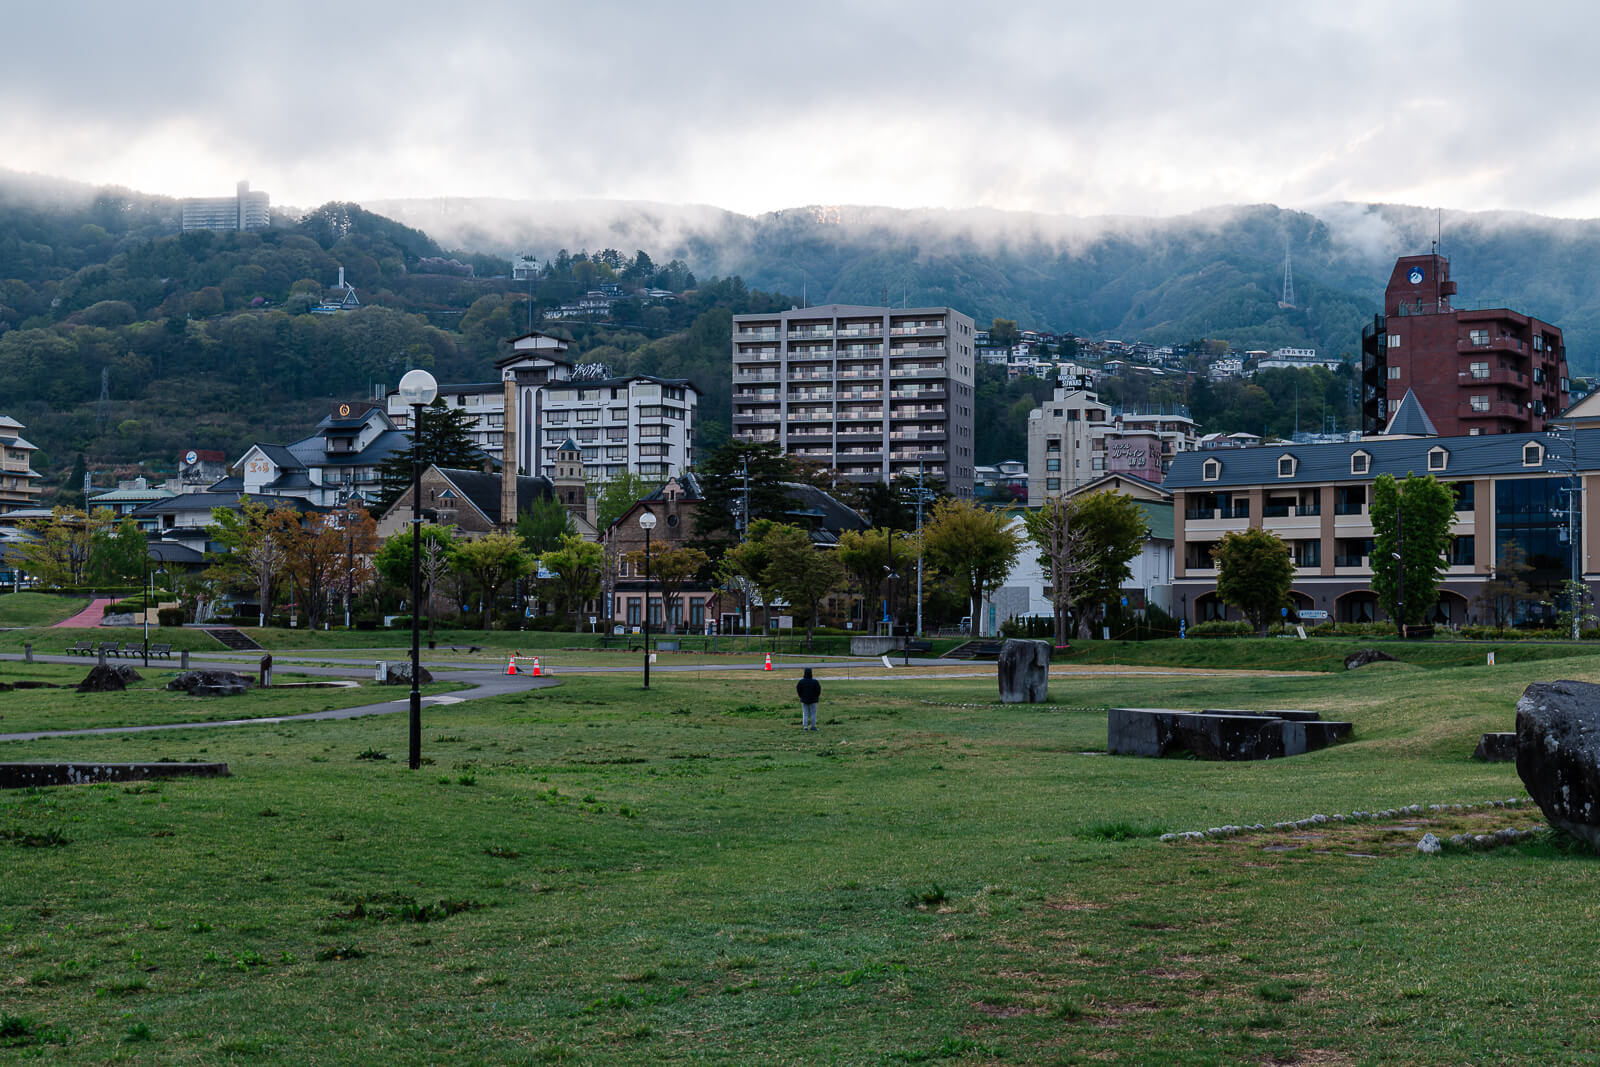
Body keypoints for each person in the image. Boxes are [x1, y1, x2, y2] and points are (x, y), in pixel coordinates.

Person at [796, 667, 821, 731]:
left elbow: (798, 689)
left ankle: (805, 727)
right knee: (813, 714)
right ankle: (813, 726)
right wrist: (816, 696)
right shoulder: (815, 682)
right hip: (813, 700)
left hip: (804, 699)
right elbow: (818, 690)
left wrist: (801, 696)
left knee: (805, 713)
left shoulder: (801, 682)